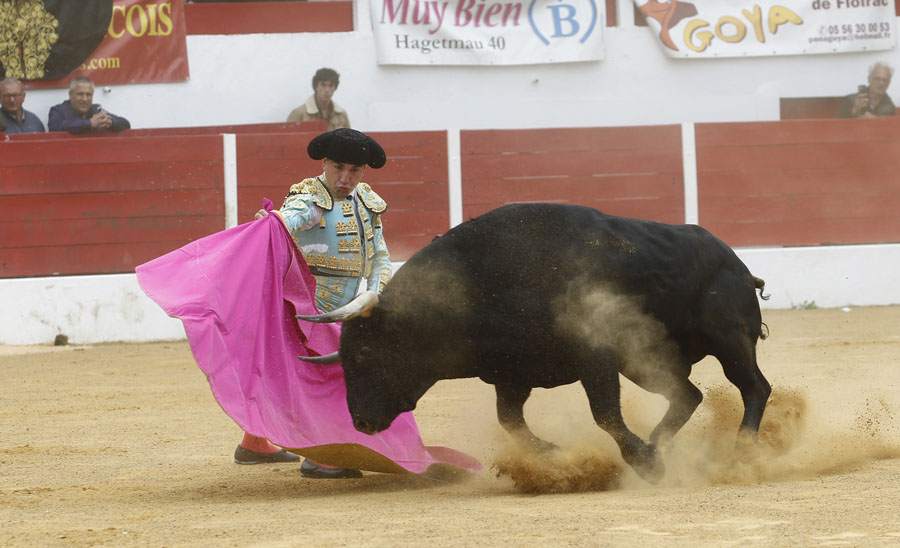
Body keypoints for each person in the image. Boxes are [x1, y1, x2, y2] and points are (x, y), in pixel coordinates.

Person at [249, 127, 390, 478]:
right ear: (324, 163)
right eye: (338, 167)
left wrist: (376, 290)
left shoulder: (366, 201)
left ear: (363, 171)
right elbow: (288, 218)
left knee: (291, 371)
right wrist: (272, 222)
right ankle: (321, 454)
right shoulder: (310, 198)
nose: (345, 178)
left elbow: (380, 257)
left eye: (354, 170)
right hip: (307, 308)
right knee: (325, 375)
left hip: (343, 306)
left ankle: (253, 442)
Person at [47, 76, 131, 133]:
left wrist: (110, 122)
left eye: (88, 95)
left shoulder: (96, 109)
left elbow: (126, 124)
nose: (84, 99)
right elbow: (54, 127)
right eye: (80, 94)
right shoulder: (58, 110)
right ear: (70, 95)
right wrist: (90, 123)